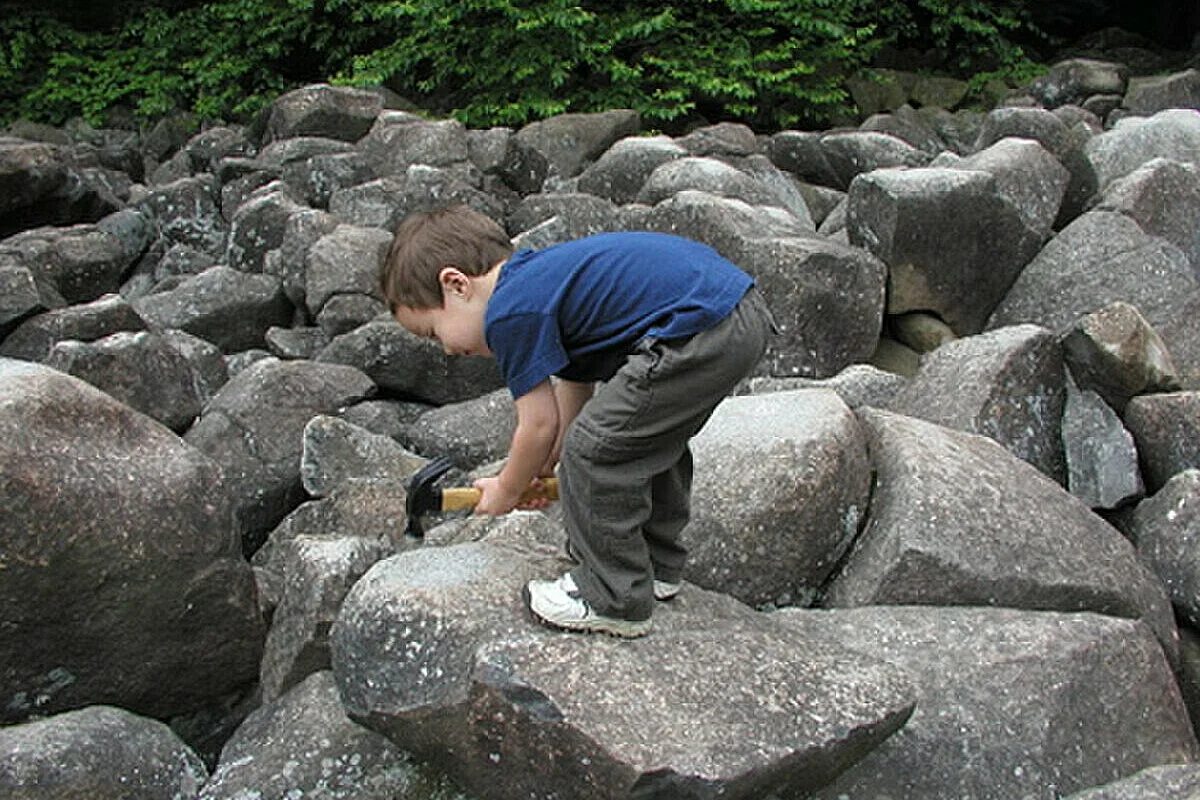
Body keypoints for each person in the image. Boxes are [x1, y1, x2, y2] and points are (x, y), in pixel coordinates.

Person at [380, 204, 774, 637]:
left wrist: (509, 488)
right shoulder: (541, 284)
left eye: (433, 333)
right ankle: (653, 564)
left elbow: (538, 423)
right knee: (637, 443)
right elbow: (572, 391)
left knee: (598, 450)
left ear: (455, 284)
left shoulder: (509, 312)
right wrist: (547, 465)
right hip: (732, 312)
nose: (448, 351)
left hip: (699, 327)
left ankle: (612, 596)